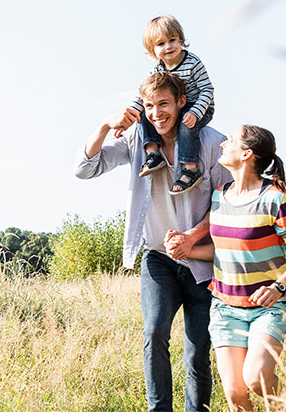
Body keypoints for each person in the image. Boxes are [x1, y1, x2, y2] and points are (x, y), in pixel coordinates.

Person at [76, 71, 232, 412]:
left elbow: (228, 204)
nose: (156, 113)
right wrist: (105, 125)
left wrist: (192, 237)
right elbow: (85, 169)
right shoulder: (137, 141)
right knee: (154, 333)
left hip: (203, 261)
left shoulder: (211, 143)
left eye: (164, 104)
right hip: (157, 257)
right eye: (149, 105)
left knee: (197, 350)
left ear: (181, 102)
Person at [166, 125, 286, 412]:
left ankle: (282, 404)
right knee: (235, 394)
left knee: (256, 379)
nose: (223, 145)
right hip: (224, 307)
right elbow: (223, 250)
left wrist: (279, 286)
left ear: (246, 154)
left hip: (268, 307)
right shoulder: (220, 196)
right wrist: (186, 250)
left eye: (230, 141)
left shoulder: (277, 198)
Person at [115, 15, 217, 196]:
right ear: (152, 50)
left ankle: (190, 169)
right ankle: (154, 153)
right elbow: (143, 96)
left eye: (172, 40)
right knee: (146, 113)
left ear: (181, 40)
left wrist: (195, 112)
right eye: (161, 44)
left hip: (199, 106)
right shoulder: (157, 69)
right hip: (173, 107)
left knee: (186, 124)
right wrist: (130, 115)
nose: (168, 47)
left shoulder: (193, 63)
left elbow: (207, 90)